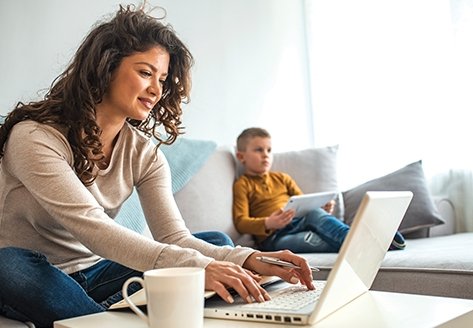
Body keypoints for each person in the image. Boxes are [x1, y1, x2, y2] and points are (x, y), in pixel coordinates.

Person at [0, 5, 315, 327]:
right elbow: (91, 226)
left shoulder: (143, 153)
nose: (156, 89)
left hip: (96, 271)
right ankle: (108, 314)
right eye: (145, 72)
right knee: (7, 264)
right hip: (32, 270)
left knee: (217, 244)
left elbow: (174, 236)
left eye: (162, 79)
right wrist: (198, 266)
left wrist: (250, 257)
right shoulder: (35, 138)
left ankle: (103, 311)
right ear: (105, 67)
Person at [233, 127, 406, 253]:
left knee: (315, 213)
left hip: (300, 222)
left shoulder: (282, 178)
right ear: (241, 156)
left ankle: (365, 241)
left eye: (269, 150)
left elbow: (303, 203)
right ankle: (375, 242)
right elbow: (240, 222)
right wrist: (268, 223)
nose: (265, 155)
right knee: (316, 241)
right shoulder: (243, 184)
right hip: (274, 238)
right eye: (258, 150)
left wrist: (320, 207)